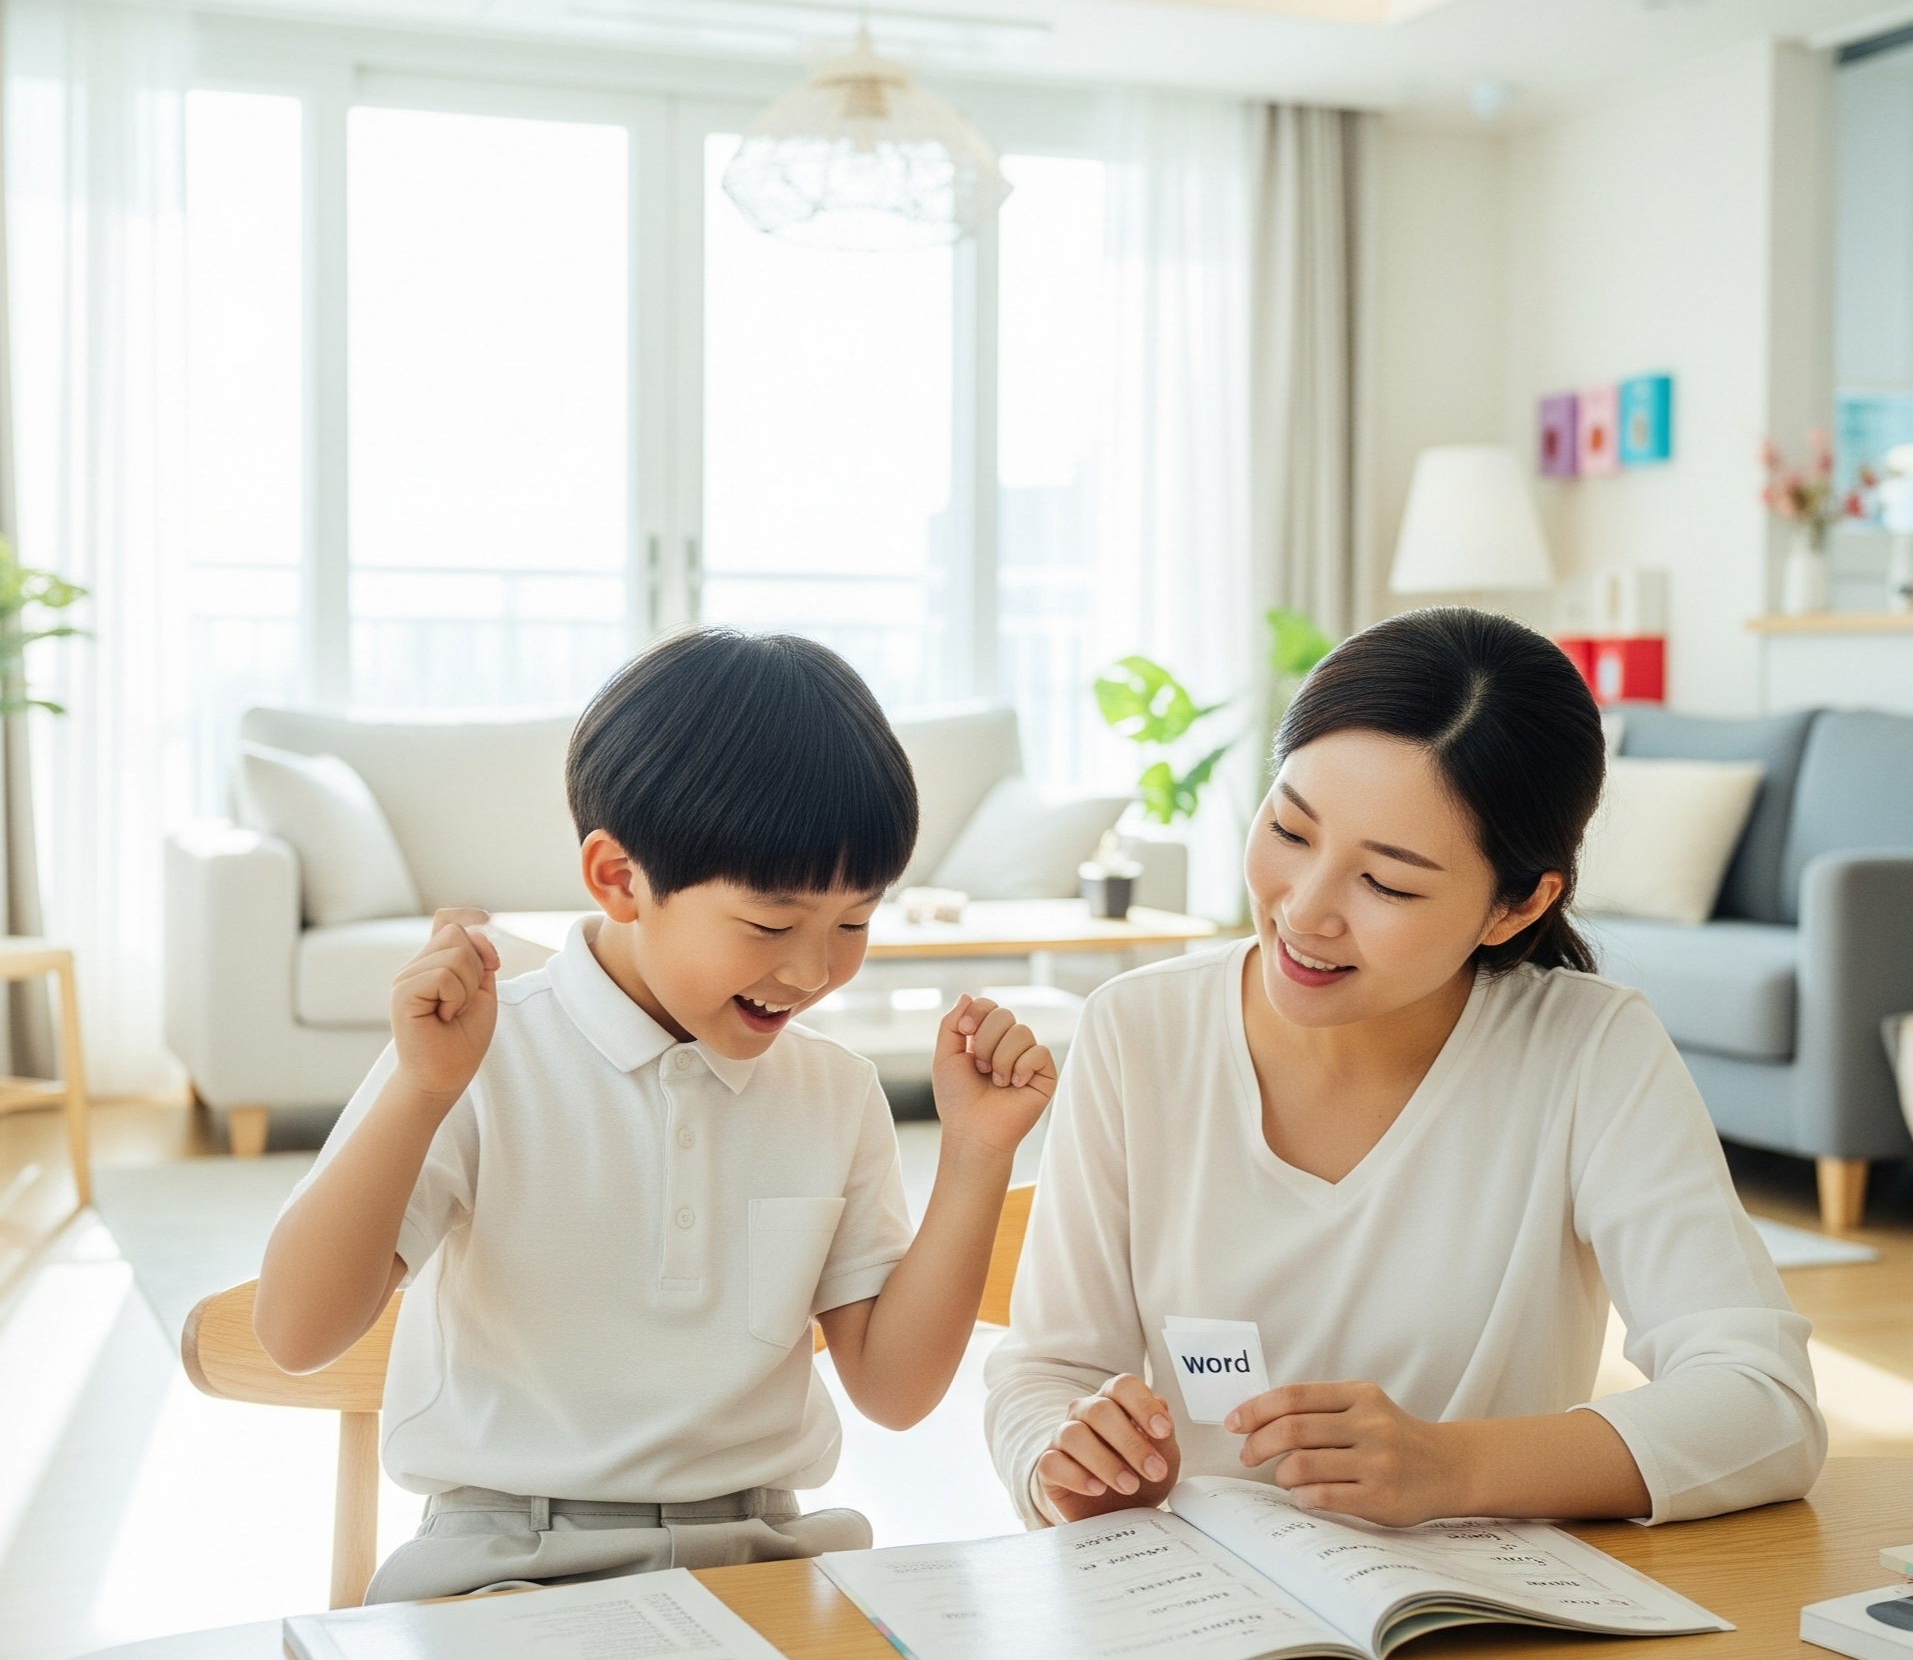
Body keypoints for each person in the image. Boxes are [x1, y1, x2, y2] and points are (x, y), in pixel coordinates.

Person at [255, 629, 1056, 1602]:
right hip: (504, 1566)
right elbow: (296, 1331)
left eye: (853, 920)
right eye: (770, 923)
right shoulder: (475, 1053)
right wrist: (421, 1092)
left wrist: (974, 1151)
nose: (813, 969)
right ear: (617, 877)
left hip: (767, 1551)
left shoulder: (833, 1091)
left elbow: (893, 1390)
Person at [985, 608, 1823, 1532]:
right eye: (1290, 830)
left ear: (1515, 905)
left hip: (1479, 1594)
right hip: (1202, 1589)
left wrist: (1452, 1465)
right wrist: (1064, 1466)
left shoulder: (1589, 1050)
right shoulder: (1140, 1028)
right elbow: (1048, 1371)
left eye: (1386, 882)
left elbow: (1764, 1403)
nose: (1305, 911)